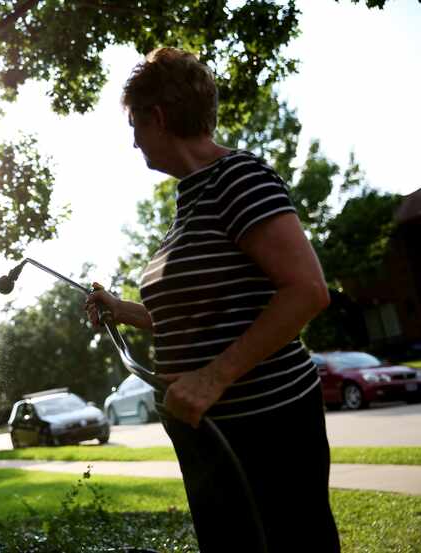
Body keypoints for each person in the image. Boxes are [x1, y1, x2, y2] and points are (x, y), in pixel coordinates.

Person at [85, 47, 340, 553]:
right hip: (210, 433)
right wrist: (126, 312)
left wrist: (213, 377)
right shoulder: (190, 199)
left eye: (134, 124)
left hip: (264, 427)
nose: (133, 141)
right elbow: (203, 317)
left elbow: (307, 290)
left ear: (157, 118)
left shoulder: (237, 178)